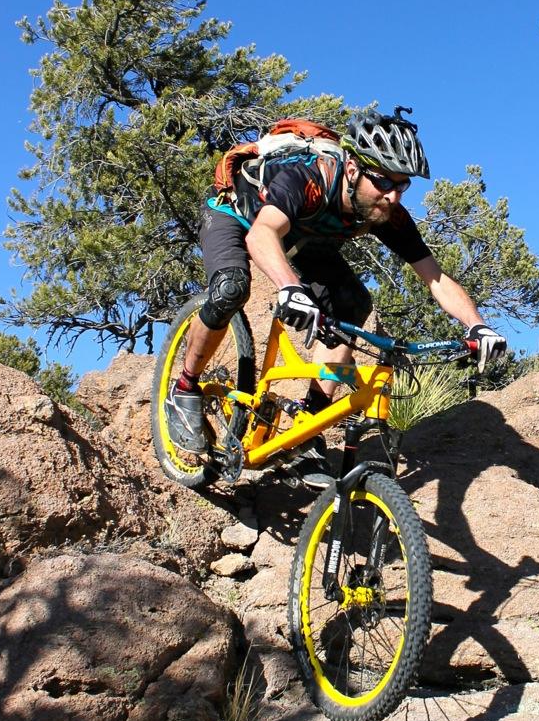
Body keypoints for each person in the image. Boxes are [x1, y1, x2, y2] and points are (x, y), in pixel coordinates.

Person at [165, 106, 507, 462]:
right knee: (231, 288)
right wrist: (289, 286)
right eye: (384, 181)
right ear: (354, 168)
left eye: (401, 184)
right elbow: (263, 233)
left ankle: (308, 420)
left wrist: (477, 326)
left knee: (352, 306)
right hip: (236, 215)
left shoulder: (388, 214)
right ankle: (185, 386)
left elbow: (435, 278)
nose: (393, 196)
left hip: (300, 236)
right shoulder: (308, 178)